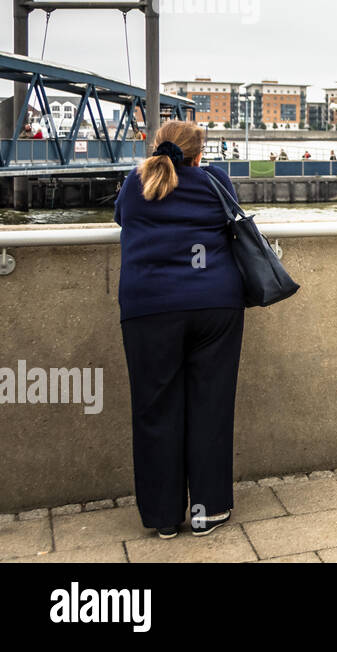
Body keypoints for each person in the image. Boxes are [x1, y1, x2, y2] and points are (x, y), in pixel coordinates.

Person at [113, 120, 245, 539]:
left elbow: (122, 218)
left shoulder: (134, 185)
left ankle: (163, 516)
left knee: (155, 409)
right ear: (199, 154)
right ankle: (209, 510)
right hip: (215, 305)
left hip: (148, 308)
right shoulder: (215, 180)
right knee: (211, 406)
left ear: (155, 148)